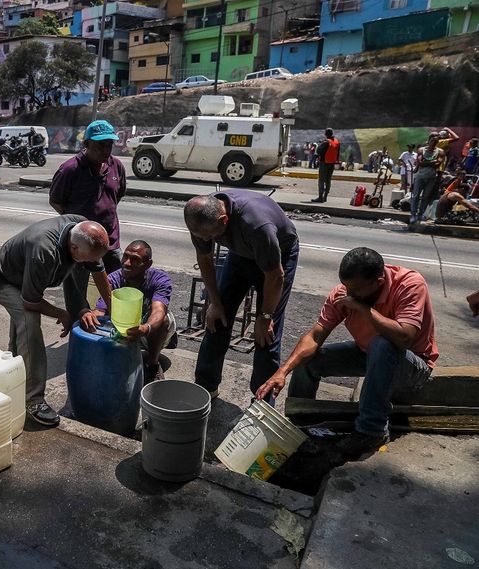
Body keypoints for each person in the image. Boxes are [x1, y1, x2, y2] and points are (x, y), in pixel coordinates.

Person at [256, 248, 438, 458]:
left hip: (411, 365)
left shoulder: (410, 284)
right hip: (369, 354)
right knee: (310, 360)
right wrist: (283, 372)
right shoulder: (346, 292)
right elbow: (315, 336)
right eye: (346, 286)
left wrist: (362, 308)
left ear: (378, 282)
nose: (348, 293)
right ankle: (301, 421)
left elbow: (404, 337)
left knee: (382, 344)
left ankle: (371, 432)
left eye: (356, 289)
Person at [0, 217, 111, 426]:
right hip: (3, 280)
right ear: (73, 247)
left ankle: (12, 375)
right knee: (28, 321)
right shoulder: (44, 250)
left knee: (20, 339)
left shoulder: (83, 231)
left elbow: (98, 271)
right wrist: (62, 313)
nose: (89, 263)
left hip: (25, 277)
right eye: (86, 259)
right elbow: (30, 301)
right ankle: (33, 401)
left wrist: (112, 307)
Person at [184, 191, 299, 400]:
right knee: (217, 320)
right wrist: (215, 303)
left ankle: (262, 402)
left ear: (224, 220)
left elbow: (275, 275)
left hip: (277, 256)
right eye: (201, 236)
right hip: (240, 253)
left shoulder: (257, 225)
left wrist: (265, 317)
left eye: (210, 237)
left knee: (266, 335)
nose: (205, 240)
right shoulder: (200, 217)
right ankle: (205, 389)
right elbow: (205, 258)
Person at [49, 119, 126, 298]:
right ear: (86, 144)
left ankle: (112, 320)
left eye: (109, 145)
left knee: (116, 288)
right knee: (77, 292)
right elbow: (55, 200)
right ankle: (76, 321)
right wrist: (78, 224)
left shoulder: (116, 166)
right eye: (100, 145)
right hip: (81, 242)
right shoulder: (69, 169)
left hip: (110, 240)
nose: (106, 150)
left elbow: (118, 195)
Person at [82, 240, 175, 383]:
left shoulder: (159, 279)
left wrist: (145, 328)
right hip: (123, 330)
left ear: (148, 264)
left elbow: (158, 311)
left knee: (163, 320)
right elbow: (100, 312)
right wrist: (89, 316)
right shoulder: (113, 279)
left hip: (148, 330)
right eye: (125, 256)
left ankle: (152, 364)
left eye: (135, 260)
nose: (126, 263)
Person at [410, 133, 445, 225]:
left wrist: (427, 162)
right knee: (416, 196)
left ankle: (420, 214)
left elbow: (438, 164)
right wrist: (432, 162)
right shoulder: (421, 150)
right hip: (420, 177)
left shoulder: (440, 151)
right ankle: (413, 214)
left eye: (436, 141)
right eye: (433, 140)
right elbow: (420, 163)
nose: (434, 142)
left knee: (426, 196)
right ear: (429, 140)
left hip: (431, 178)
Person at [313, 128, 340, 203]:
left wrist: (320, 144)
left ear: (326, 134)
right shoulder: (337, 142)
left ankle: (320, 197)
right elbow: (337, 153)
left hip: (324, 163)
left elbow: (318, 151)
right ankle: (325, 197)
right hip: (332, 163)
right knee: (328, 180)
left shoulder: (326, 142)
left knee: (321, 180)